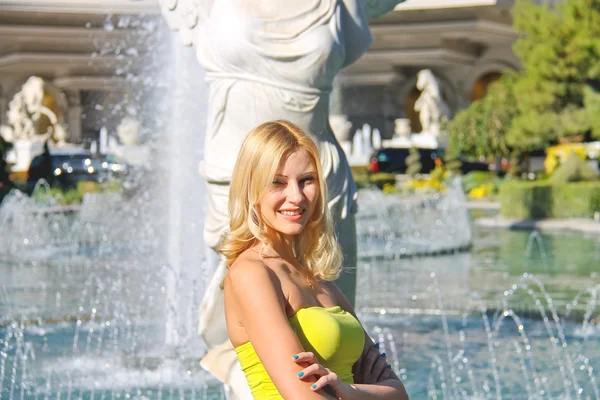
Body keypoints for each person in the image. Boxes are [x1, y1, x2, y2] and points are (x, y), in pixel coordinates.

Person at [220, 120, 409, 400]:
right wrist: (370, 394)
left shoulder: (319, 280)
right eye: (277, 182)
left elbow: (399, 393)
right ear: (252, 188)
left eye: (306, 180)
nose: (296, 196)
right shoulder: (252, 273)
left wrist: (348, 391)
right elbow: (305, 397)